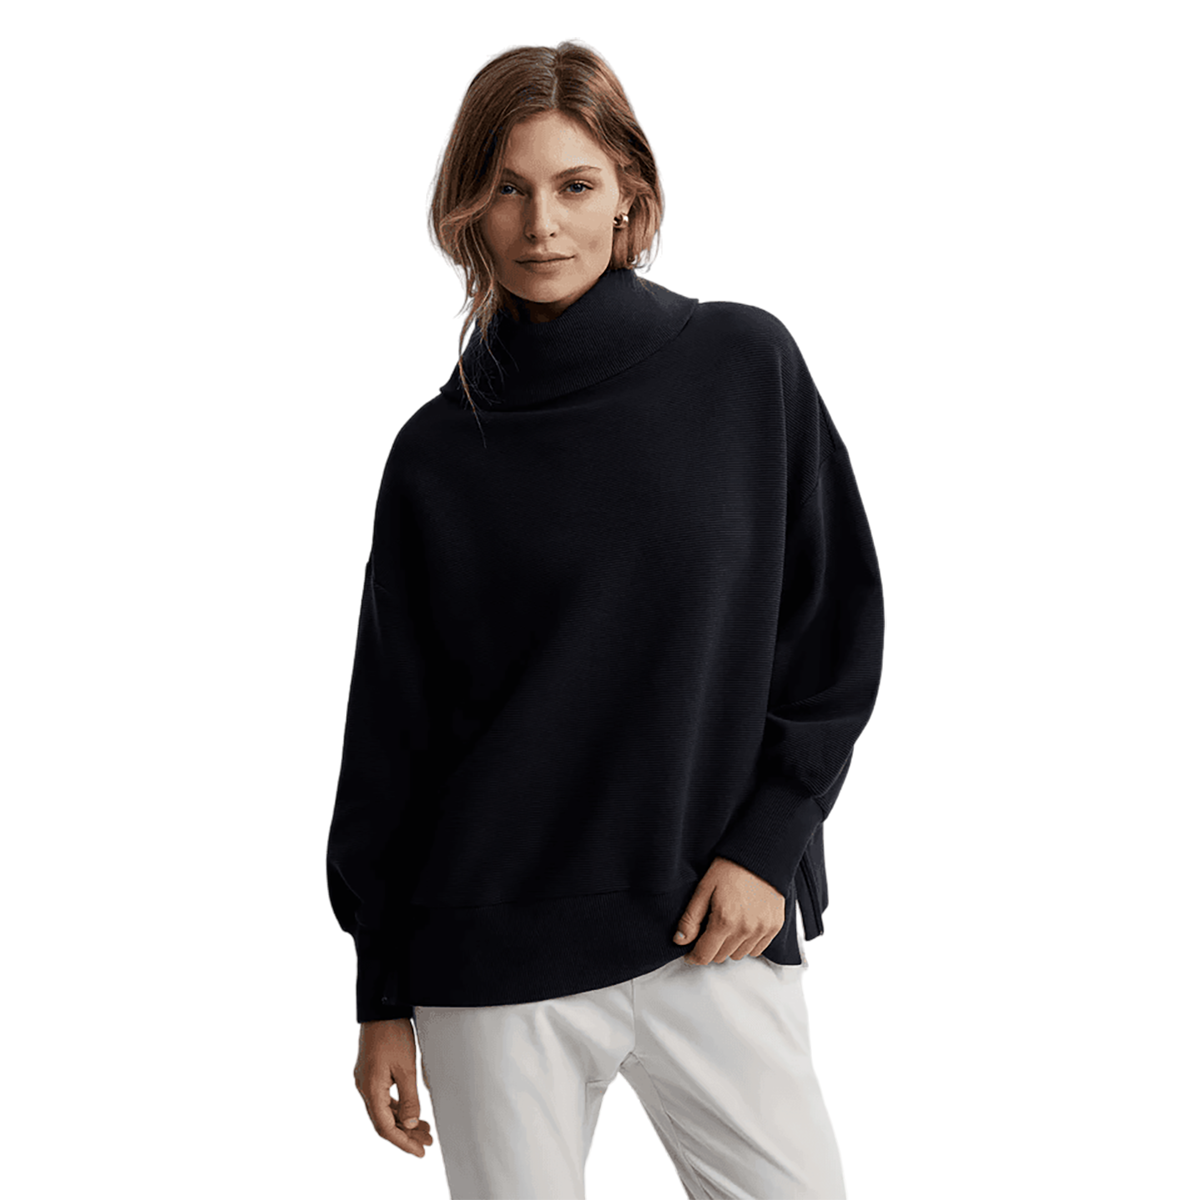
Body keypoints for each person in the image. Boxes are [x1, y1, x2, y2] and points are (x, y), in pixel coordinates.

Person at [326, 43, 884, 1200]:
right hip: (488, 947)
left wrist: (768, 841)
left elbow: (834, 628)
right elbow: (394, 738)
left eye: (574, 185)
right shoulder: (440, 447)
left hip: (711, 926)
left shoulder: (744, 369)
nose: (541, 224)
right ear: (468, 208)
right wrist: (380, 998)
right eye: (508, 189)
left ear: (629, 192)